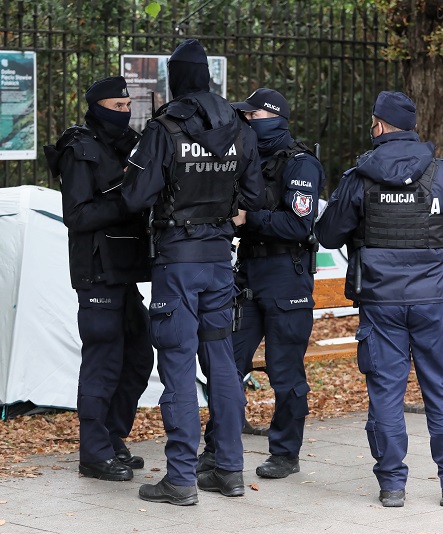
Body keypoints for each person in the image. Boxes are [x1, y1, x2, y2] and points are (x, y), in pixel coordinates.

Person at [315, 91, 443, 507]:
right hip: (434, 303)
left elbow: (327, 234)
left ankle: (392, 486)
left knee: (386, 393)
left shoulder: (359, 178)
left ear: (378, 125)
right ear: (411, 126)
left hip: (379, 303)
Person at [122, 39, 265, 505]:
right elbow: (256, 193)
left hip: (177, 261)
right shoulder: (239, 128)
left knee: (179, 366)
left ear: (175, 78)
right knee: (222, 363)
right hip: (219, 259)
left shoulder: (164, 127)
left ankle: (181, 477)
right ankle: (229, 470)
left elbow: (133, 196)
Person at [198, 88, 325, 479]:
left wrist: (248, 219)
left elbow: (298, 225)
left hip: (287, 278)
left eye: (250, 118)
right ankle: (217, 450)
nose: (244, 124)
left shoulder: (301, 165)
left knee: (285, 372)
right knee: (227, 365)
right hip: (248, 276)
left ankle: (285, 453)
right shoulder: (245, 160)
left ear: (273, 119)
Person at [43, 76, 154, 482]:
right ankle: (93, 453)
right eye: (118, 107)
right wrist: (127, 201)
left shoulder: (127, 144)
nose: (125, 113)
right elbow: (77, 216)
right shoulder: (79, 149)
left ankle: (111, 438)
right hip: (97, 272)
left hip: (125, 273)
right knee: (103, 363)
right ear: (97, 107)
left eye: (128, 107)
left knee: (140, 356)